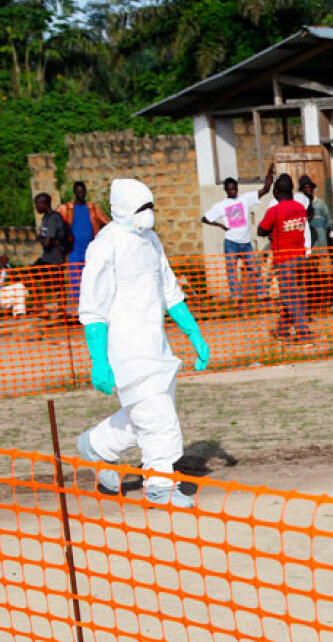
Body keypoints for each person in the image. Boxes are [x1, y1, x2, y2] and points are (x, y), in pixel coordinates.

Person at [74, 178, 211, 509]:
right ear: (121, 210)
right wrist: (99, 359)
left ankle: (97, 446)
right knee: (159, 420)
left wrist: (194, 334)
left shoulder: (151, 241)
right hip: (127, 350)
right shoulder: (106, 245)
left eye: (151, 207)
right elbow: (93, 306)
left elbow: (169, 290)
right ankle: (160, 485)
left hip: (156, 348)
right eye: (141, 208)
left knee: (144, 415)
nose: (148, 214)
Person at [202, 164, 275, 302]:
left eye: (235, 188)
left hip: (246, 243)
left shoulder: (245, 198)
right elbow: (205, 218)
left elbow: (265, 190)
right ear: (226, 190)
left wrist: (269, 173)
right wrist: (220, 225)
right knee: (232, 271)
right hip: (231, 243)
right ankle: (237, 296)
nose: (233, 191)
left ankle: (261, 294)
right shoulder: (220, 205)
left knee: (254, 269)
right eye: (230, 189)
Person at [258, 174, 312, 342]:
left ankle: (304, 333)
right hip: (299, 257)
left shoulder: (274, 211)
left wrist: (272, 233)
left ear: (276, 191)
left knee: (290, 296)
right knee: (293, 294)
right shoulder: (300, 208)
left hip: (284, 259)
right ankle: (283, 329)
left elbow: (261, 230)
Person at [59, 181, 110, 314]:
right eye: (78, 191)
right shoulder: (67, 208)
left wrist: (102, 237)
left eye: (83, 191)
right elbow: (57, 222)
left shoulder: (92, 208)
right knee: (75, 281)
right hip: (74, 250)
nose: (81, 194)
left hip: (90, 251)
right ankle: (77, 311)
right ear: (75, 192)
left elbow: (106, 222)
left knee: (92, 279)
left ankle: (94, 308)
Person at [33, 193, 69, 317]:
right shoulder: (45, 218)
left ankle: (61, 312)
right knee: (29, 276)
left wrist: (40, 238)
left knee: (58, 285)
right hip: (46, 257)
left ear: (44, 203)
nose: (36, 207)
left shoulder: (53, 218)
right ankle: (42, 308)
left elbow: (47, 242)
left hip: (54, 258)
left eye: (37, 204)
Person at [294, 175, 333, 250]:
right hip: (308, 243)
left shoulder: (320, 203)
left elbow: (328, 223)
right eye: (305, 187)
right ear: (302, 190)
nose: (308, 189)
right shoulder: (300, 206)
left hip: (322, 242)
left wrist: (330, 242)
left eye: (309, 186)